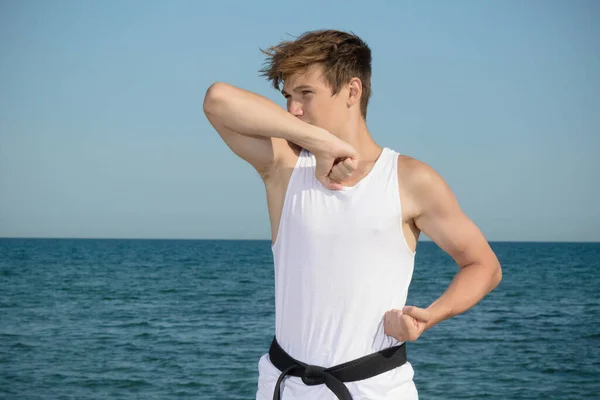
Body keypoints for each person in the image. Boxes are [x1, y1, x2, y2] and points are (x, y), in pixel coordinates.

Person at [202, 29, 502, 400]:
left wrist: (432, 315)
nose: (293, 109)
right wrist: (324, 144)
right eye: (288, 97)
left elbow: (483, 265)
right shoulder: (284, 166)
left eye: (306, 94)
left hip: (374, 389)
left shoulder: (409, 179)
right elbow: (217, 100)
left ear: (352, 91)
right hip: (284, 386)